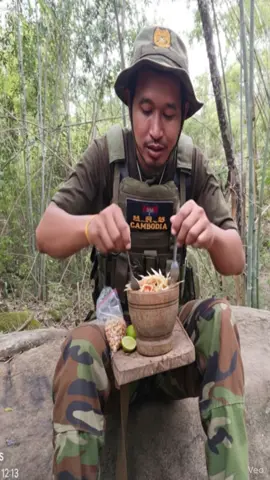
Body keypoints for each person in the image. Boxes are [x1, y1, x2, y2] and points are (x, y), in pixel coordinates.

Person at [36, 26, 248, 480]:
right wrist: (91, 225)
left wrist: (210, 234)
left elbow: (236, 258)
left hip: (175, 348)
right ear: (130, 103)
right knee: (76, 350)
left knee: (221, 317)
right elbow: (46, 232)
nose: (156, 129)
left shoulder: (192, 164)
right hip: (115, 346)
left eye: (169, 114)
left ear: (184, 116)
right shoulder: (105, 157)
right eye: (146, 110)